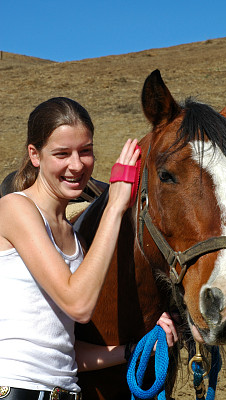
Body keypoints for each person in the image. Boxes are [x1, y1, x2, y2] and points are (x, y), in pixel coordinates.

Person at [0, 97, 178, 399]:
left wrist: (135, 348)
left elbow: (65, 352)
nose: (77, 164)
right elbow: (79, 305)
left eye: (86, 151)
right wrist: (114, 205)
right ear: (35, 155)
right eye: (61, 153)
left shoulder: (75, 240)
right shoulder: (15, 208)